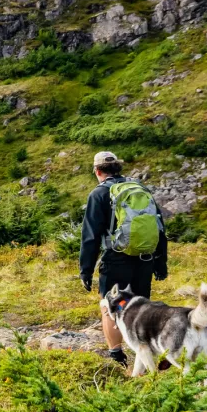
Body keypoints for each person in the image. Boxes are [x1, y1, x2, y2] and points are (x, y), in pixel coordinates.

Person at [79, 151, 168, 366]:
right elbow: (159, 228)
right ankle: (147, 354)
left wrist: (86, 271)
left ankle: (116, 356)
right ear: (118, 168)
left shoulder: (99, 194)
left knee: (110, 306)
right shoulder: (140, 190)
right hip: (145, 258)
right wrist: (160, 262)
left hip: (116, 258)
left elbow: (90, 237)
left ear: (97, 171)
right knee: (141, 306)